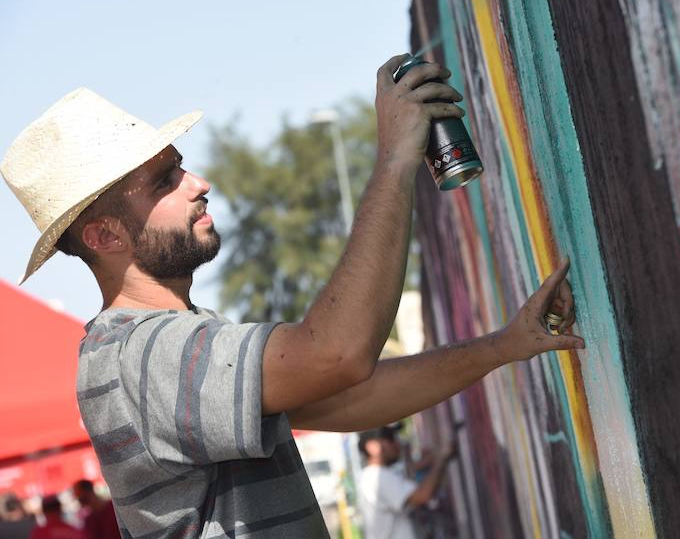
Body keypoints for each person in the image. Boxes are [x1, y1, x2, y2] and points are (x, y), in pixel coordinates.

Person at [1, 55, 582, 538]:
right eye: (164, 182)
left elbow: (350, 394)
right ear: (105, 236)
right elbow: (336, 354)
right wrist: (395, 159)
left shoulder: (183, 339)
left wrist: (504, 345)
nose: (199, 184)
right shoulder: (147, 355)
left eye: (181, 168)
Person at [357, 426, 455, 539]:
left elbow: (411, 469)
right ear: (373, 447)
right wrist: (442, 458)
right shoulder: (377, 477)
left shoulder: (372, 476)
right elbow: (422, 495)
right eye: (391, 439)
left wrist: (433, 457)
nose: (397, 444)